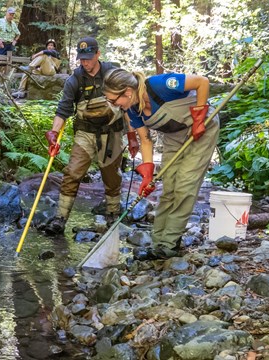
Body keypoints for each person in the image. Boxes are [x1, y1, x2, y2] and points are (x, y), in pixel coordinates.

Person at [102, 68, 218, 260]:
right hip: (173, 136)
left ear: (127, 92)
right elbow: (145, 140)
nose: (113, 105)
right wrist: (148, 174)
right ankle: (158, 243)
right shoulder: (132, 109)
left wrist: (199, 118)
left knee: (184, 185)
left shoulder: (160, 84)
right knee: (169, 188)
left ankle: (170, 244)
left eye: (114, 100)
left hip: (202, 130)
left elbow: (202, 82)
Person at [43, 37, 133, 235]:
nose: (85, 62)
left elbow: (128, 104)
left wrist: (133, 136)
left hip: (112, 132)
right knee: (72, 172)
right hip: (85, 133)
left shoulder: (113, 73)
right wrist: (53, 133)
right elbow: (63, 109)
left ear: (98, 54)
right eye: (82, 58)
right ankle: (60, 218)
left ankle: (112, 215)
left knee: (111, 176)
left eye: (89, 58)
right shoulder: (74, 80)